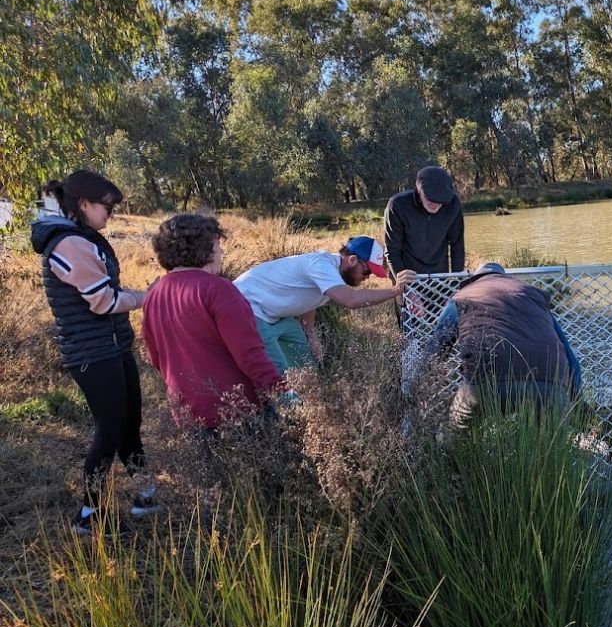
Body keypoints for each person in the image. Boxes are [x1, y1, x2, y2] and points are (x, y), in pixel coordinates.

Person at [30, 170, 154, 532]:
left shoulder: (83, 238)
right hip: (92, 353)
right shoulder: (69, 244)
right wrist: (147, 297)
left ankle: (145, 495)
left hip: (112, 345)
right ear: (84, 204)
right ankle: (88, 515)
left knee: (130, 421)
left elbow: (107, 289)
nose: (110, 215)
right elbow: (103, 301)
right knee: (110, 429)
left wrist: (139, 294)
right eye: (107, 208)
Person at [142, 214, 286, 430]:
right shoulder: (218, 289)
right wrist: (283, 394)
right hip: (237, 410)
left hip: (188, 413)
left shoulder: (154, 296)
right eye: (217, 245)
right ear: (205, 248)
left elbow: (157, 359)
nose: (221, 252)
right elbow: (249, 354)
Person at [428, 262, 582, 429]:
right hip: (551, 383)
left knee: (453, 437)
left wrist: (416, 394)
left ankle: (453, 453)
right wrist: (576, 400)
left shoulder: (462, 296)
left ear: (474, 279)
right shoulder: (532, 297)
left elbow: (435, 349)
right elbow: (571, 359)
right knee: (550, 450)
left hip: (486, 384)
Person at [233, 237, 416, 373]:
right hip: (247, 308)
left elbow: (310, 298)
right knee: (276, 372)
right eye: (367, 271)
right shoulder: (321, 264)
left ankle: (305, 398)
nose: (366, 278)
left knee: (304, 362)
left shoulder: (333, 273)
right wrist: (395, 291)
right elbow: (350, 300)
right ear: (352, 260)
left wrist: (312, 335)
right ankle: (284, 413)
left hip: (273, 315)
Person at [382, 165, 466, 278]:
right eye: (430, 199)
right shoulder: (397, 205)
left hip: (440, 276)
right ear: (419, 191)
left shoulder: (453, 204)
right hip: (408, 275)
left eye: (441, 201)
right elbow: (392, 250)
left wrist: (458, 279)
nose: (436, 204)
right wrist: (403, 284)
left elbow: (457, 246)